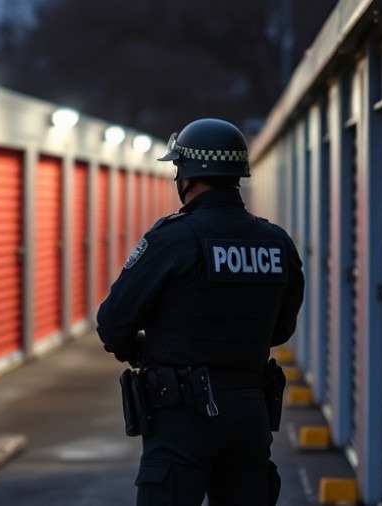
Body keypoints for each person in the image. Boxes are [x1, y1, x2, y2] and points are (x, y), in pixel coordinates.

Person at [97, 118, 304, 505]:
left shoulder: (173, 239)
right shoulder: (277, 243)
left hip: (182, 417)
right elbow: (281, 328)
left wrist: (141, 349)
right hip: (250, 412)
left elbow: (112, 323)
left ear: (188, 175)